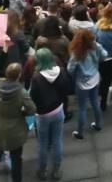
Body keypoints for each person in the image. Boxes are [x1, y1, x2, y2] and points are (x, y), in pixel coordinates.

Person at [0, 63, 36, 182]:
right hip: (16, 130)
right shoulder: (21, 92)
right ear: (19, 75)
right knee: (16, 158)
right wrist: (22, 113)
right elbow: (32, 109)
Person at [29, 48, 67, 180]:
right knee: (57, 140)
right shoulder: (60, 71)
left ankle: (42, 170)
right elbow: (65, 88)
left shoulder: (36, 77)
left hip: (43, 114)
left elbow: (32, 97)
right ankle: (56, 170)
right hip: (58, 109)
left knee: (43, 143)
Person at [67, 29, 106, 140]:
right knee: (95, 103)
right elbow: (104, 55)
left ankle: (80, 132)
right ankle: (98, 124)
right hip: (95, 78)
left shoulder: (76, 53)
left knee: (82, 108)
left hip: (82, 83)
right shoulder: (95, 46)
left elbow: (70, 69)